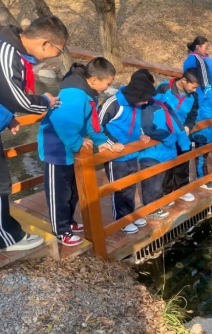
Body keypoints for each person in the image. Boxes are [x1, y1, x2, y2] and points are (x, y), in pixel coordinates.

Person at [38, 58, 121, 247]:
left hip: (70, 147)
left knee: (72, 190)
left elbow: (92, 121)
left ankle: (69, 221)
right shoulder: (75, 94)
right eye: (108, 83)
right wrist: (77, 142)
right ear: (94, 80)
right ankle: (61, 231)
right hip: (56, 148)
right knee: (59, 192)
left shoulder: (90, 93)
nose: (108, 87)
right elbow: (62, 122)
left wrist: (100, 141)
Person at [0, 15, 66, 252]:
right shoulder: (7, 52)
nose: (54, 57)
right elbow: (16, 98)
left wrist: (8, 117)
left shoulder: (12, 50)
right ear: (46, 43)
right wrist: (45, 101)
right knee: (1, 185)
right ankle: (7, 239)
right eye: (58, 51)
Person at [99, 69, 156, 235]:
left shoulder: (136, 104)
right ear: (137, 95)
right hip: (115, 155)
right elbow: (96, 126)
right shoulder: (114, 103)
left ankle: (130, 214)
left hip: (131, 152)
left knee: (130, 185)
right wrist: (112, 143)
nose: (146, 102)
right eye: (144, 99)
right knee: (119, 188)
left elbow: (135, 124)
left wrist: (141, 134)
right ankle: (121, 220)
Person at [139, 93, 191, 219]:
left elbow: (177, 124)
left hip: (165, 150)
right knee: (152, 182)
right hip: (152, 152)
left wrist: (184, 143)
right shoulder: (146, 106)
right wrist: (170, 138)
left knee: (159, 181)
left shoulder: (163, 103)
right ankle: (151, 209)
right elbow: (147, 128)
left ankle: (157, 204)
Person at [154, 68, 200, 203]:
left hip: (183, 134)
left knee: (183, 162)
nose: (195, 90)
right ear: (184, 80)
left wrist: (188, 126)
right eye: (193, 86)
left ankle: (182, 189)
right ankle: (166, 192)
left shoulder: (193, 95)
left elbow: (193, 114)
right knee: (167, 164)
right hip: (167, 134)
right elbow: (154, 109)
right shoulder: (163, 88)